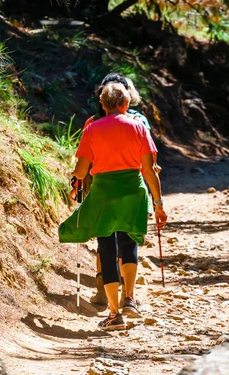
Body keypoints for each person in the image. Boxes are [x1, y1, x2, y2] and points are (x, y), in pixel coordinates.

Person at [58, 82, 167, 331]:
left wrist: (73, 175)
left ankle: (114, 314)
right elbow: (149, 170)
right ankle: (130, 298)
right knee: (128, 243)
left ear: (103, 105)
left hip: (104, 193)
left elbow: (82, 170)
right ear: (126, 104)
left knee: (106, 248)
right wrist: (159, 205)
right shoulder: (139, 126)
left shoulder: (92, 129)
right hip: (133, 191)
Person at [81, 74, 161, 306]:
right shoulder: (140, 121)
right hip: (131, 184)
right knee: (127, 240)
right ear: (127, 97)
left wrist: (80, 182)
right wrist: (157, 199)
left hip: (100, 185)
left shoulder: (92, 123)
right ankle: (129, 296)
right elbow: (151, 162)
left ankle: (102, 291)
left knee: (104, 240)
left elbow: (85, 162)